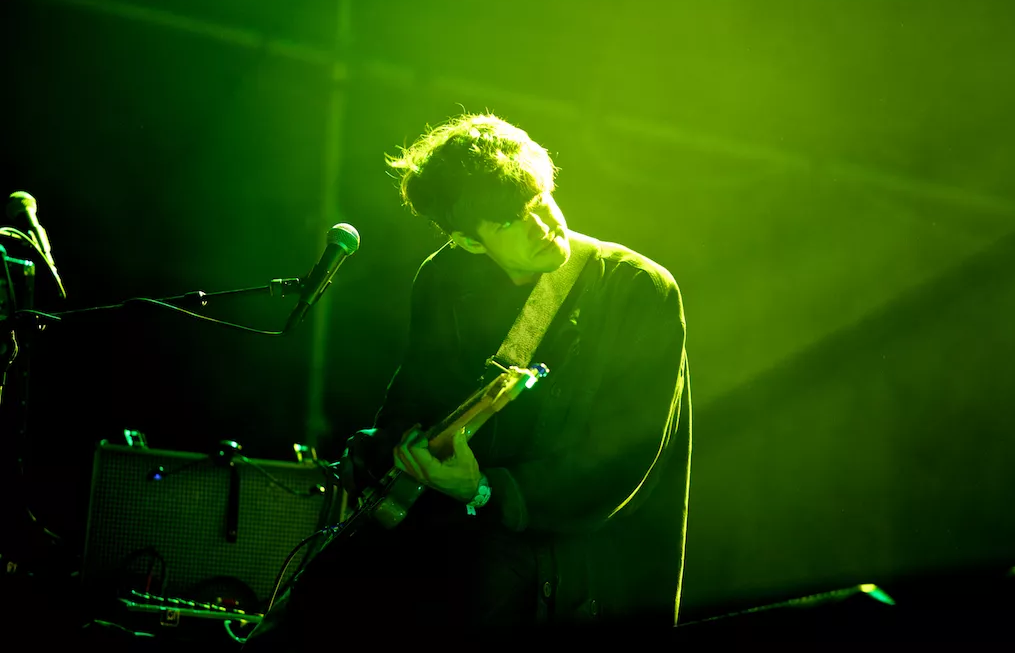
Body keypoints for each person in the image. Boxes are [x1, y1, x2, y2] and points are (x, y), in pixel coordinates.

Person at [244, 113, 690, 648]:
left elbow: (620, 463)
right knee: (320, 596)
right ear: (468, 242)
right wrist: (404, 449)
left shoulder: (637, 289)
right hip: (457, 539)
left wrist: (483, 489)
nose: (543, 223)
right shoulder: (443, 277)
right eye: (510, 220)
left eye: (538, 198)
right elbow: (411, 398)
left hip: (576, 558)